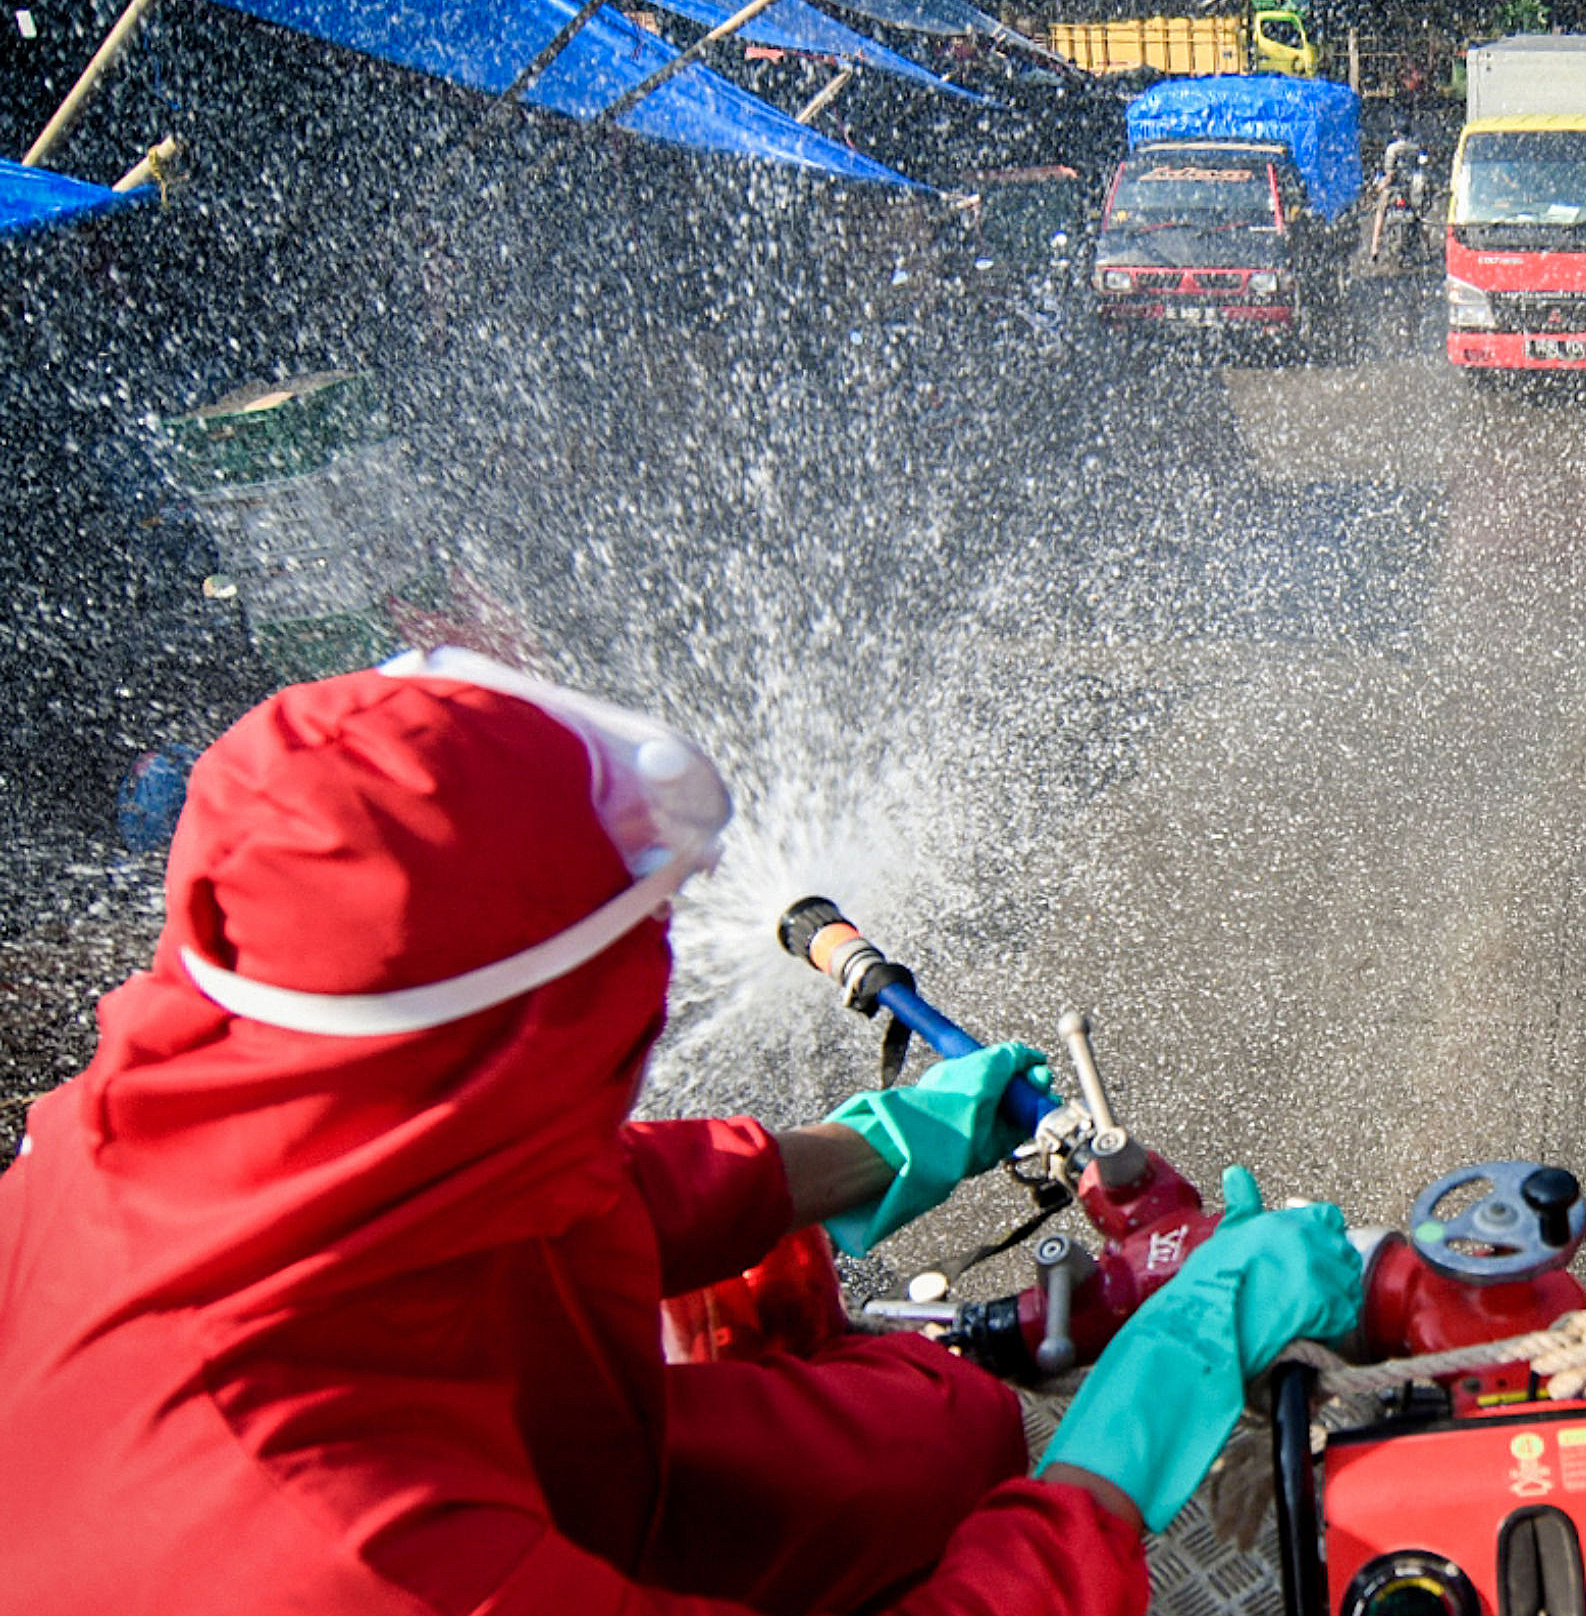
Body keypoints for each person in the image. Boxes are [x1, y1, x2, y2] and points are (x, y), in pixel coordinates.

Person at [0, 649, 1364, 1615]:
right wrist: (1111, 1476)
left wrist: (884, 1146)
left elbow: (547, 1186)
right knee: (974, 1460)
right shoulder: (345, 1559)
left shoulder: (175, 1127)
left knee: (942, 1426)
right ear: (520, 1048)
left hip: (495, 1455)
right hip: (429, 1534)